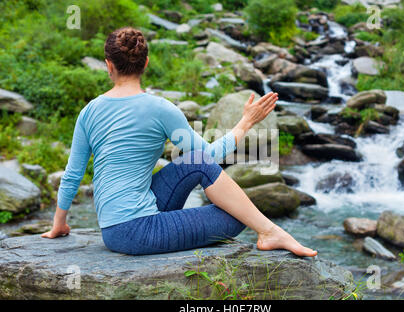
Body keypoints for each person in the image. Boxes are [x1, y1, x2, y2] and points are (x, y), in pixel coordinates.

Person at [42, 27, 317, 257]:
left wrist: (59, 224)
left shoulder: (89, 111)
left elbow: (73, 174)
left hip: (114, 227)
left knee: (196, 165)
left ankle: (268, 230)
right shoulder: (162, 108)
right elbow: (211, 154)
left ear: (108, 65)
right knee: (237, 216)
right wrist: (245, 122)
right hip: (136, 232)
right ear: (146, 63)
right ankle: (269, 231)